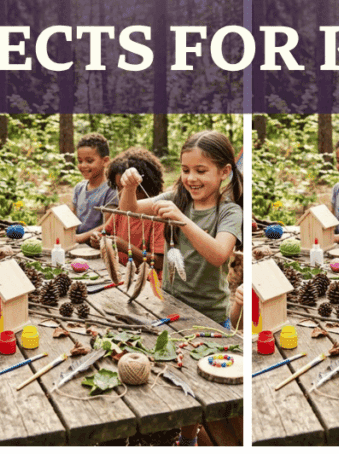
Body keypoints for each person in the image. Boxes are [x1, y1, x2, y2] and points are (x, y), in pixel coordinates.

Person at [119, 131, 244, 448]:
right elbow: (129, 210)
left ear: (224, 172)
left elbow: (219, 254)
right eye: (186, 170)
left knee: (204, 383)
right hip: (171, 310)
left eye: (201, 171)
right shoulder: (176, 199)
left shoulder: (229, 212)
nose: (191, 178)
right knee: (174, 372)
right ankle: (173, 432)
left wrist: (183, 221)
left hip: (210, 319)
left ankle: (192, 437)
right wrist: (129, 187)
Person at [93, 147, 166, 270]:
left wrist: (127, 248)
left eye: (128, 188)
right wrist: (97, 239)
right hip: (121, 272)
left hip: (147, 282)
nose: (121, 194)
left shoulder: (159, 216)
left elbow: (159, 262)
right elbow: (104, 233)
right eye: (118, 187)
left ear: (147, 186)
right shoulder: (121, 211)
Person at [71, 133, 118, 244]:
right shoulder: (79, 188)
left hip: (97, 247)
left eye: (89, 161)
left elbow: (108, 225)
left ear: (105, 161)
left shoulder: (111, 190)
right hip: (76, 245)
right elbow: (72, 220)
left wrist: (80, 238)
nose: (83, 165)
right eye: (80, 161)